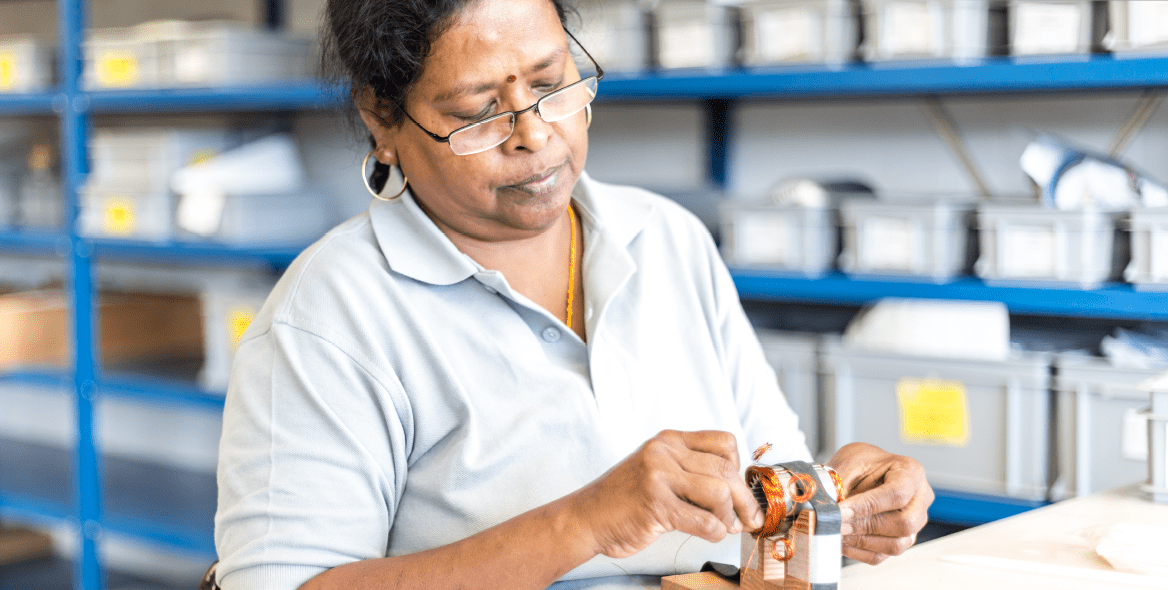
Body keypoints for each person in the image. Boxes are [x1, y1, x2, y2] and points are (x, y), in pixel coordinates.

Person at [213, 0, 934, 588]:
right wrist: (582, 522)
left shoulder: (668, 240)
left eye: (551, 82)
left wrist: (833, 496)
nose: (534, 134)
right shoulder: (328, 318)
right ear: (383, 120)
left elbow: (768, 477)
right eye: (478, 111)